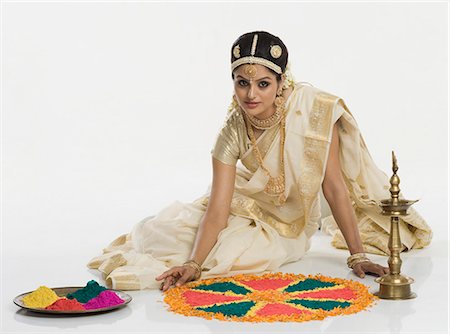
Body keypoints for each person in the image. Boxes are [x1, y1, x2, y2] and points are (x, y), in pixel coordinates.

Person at [87, 31, 432, 292]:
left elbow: (333, 187)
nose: (251, 95)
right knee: (164, 234)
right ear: (233, 83)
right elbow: (218, 210)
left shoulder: (312, 112)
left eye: (263, 84)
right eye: (243, 83)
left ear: (282, 83)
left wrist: (357, 255)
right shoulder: (231, 131)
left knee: (242, 255)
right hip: (246, 206)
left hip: (288, 224)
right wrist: (193, 263)